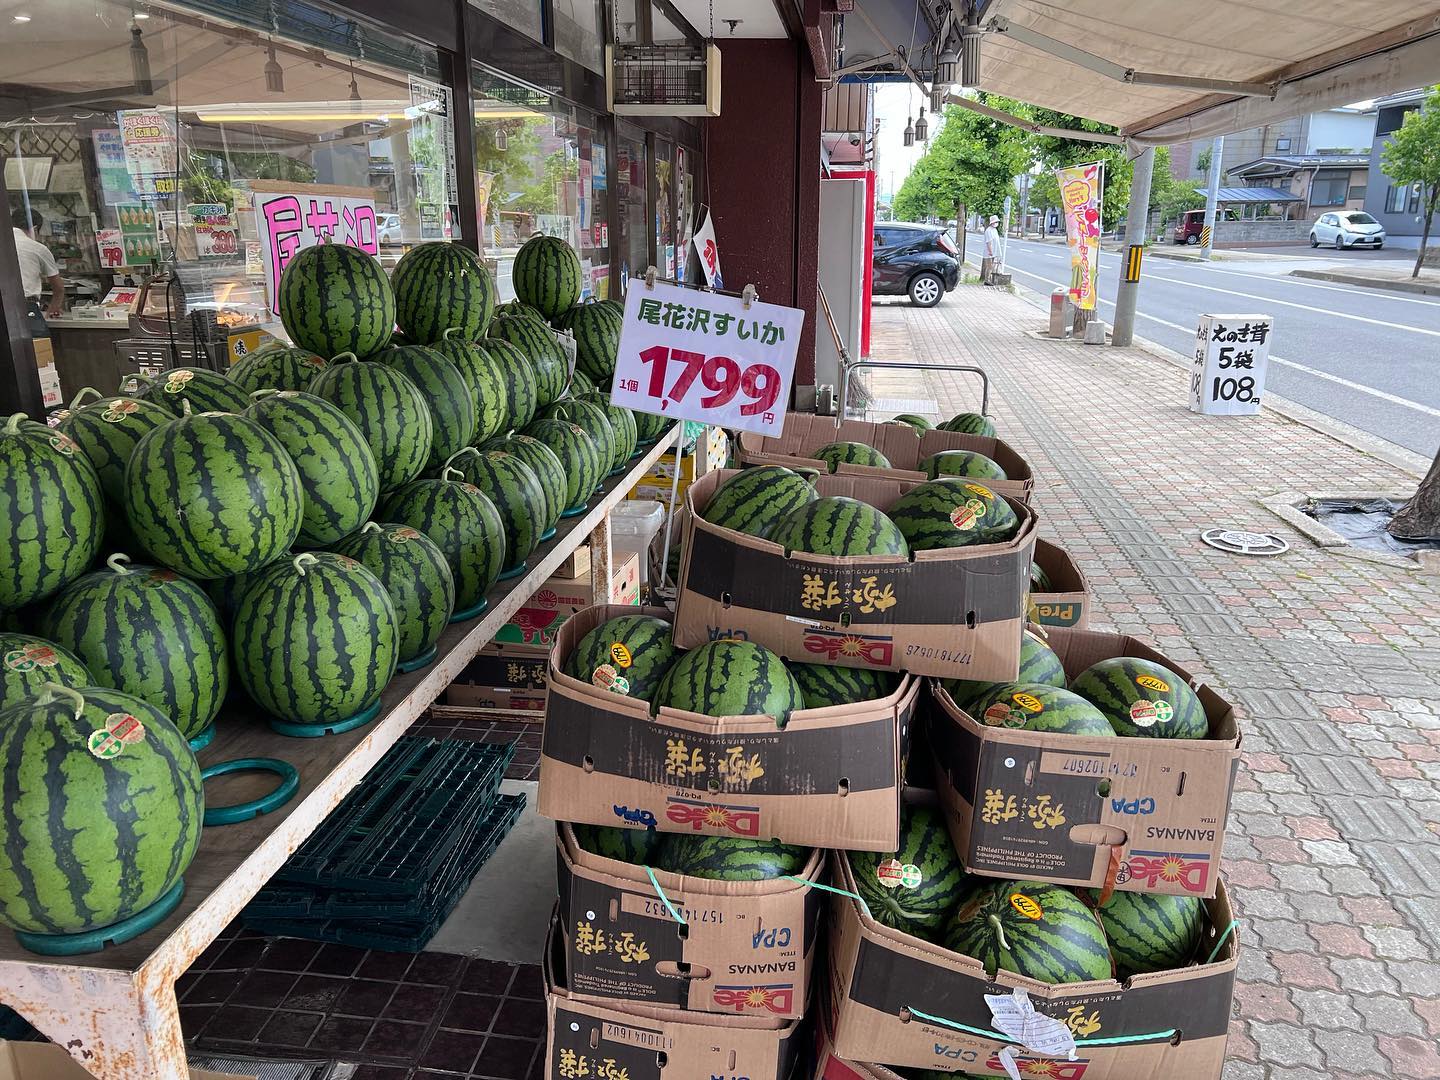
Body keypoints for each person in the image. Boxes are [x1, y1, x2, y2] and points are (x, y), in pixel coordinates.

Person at [11, 207, 64, 338]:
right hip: (26, 310)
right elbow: (58, 288)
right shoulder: (37, 248)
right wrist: (54, 307)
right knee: (38, 353)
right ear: (35, 229)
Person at [981, 214, 1002, 286]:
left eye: (997, 222)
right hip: (989, 252)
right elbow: (988, 242)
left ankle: (988, 279)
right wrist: (990, 251)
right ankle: (987, 280)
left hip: (993, 251)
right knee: (989, 266)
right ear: (992, 222)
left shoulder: (994, 230)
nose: (996, 223)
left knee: (991, 266)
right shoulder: (989, 230)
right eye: (995, 222)